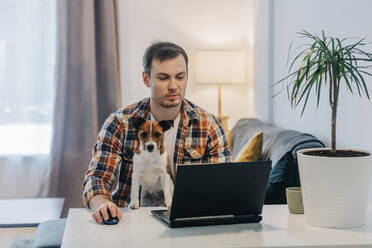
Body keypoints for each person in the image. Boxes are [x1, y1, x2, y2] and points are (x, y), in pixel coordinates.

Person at [83, 41, 232, 224]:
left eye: (180, 77)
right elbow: (97, 177)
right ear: (146, 79)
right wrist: (102, 204)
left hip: (187, 222)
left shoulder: (208, 125)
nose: (173, 86)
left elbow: (221, 185)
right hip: (130, 220)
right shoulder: (119, 122)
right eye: (163, 78)